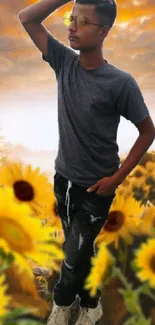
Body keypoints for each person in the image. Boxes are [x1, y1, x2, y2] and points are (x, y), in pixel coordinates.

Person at [17, 0, 155, 323]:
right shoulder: (63, 62)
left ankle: (62, 305)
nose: (72, 26)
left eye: (82, 21)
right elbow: (26, 18)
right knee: (79, 251)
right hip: (62, 180)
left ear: (104, 31)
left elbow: (147, 132)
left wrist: (116, 179)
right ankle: (92, 304)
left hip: (96, 189)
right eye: (71, 17)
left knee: (72, 255)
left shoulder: (120, 83)